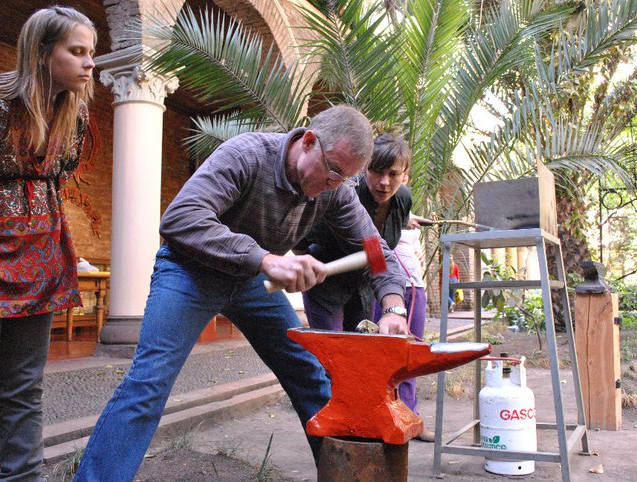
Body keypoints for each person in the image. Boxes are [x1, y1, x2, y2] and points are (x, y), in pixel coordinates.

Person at [73, 105, 409, 481]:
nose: (334, 185)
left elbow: (375, 250)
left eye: (345, 179)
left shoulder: (335, 192)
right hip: (190, 272)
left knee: (311, 377)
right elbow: (180, 218)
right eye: (333, 172)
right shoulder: (246, 155)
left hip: (250, 282)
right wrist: (265, 259)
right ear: (308, 142)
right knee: (148, 384)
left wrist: (393, 306)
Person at [0, 6, 96, 481]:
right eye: (76, 51)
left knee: (24, 387)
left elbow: (59, 176)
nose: (89, 63)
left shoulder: (75, 114)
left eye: (91, 53)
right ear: (42, 53)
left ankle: (23, 477)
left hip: (40, 256)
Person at [298, 132, 422, 332]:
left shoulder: (403, 200)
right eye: (377, 171)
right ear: (365, 167)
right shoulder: (344, 195)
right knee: (330, 348)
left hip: (365, 290)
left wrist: (393, 304)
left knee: (361, 345)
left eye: (393, 174)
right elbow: (301, 238)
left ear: (405, 174)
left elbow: (379, 253)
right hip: (326, 288)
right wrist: (304, 269)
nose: (384, 182)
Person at [372, 206, 435, 441]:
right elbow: (368, 238)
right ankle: (381, 420)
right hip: (384, 291)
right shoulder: (369, 204)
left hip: (415, 287)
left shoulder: (406, 207)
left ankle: (409, 416)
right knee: (382, 357)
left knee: (411, 356)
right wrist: (399, 219)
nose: (386, 186)